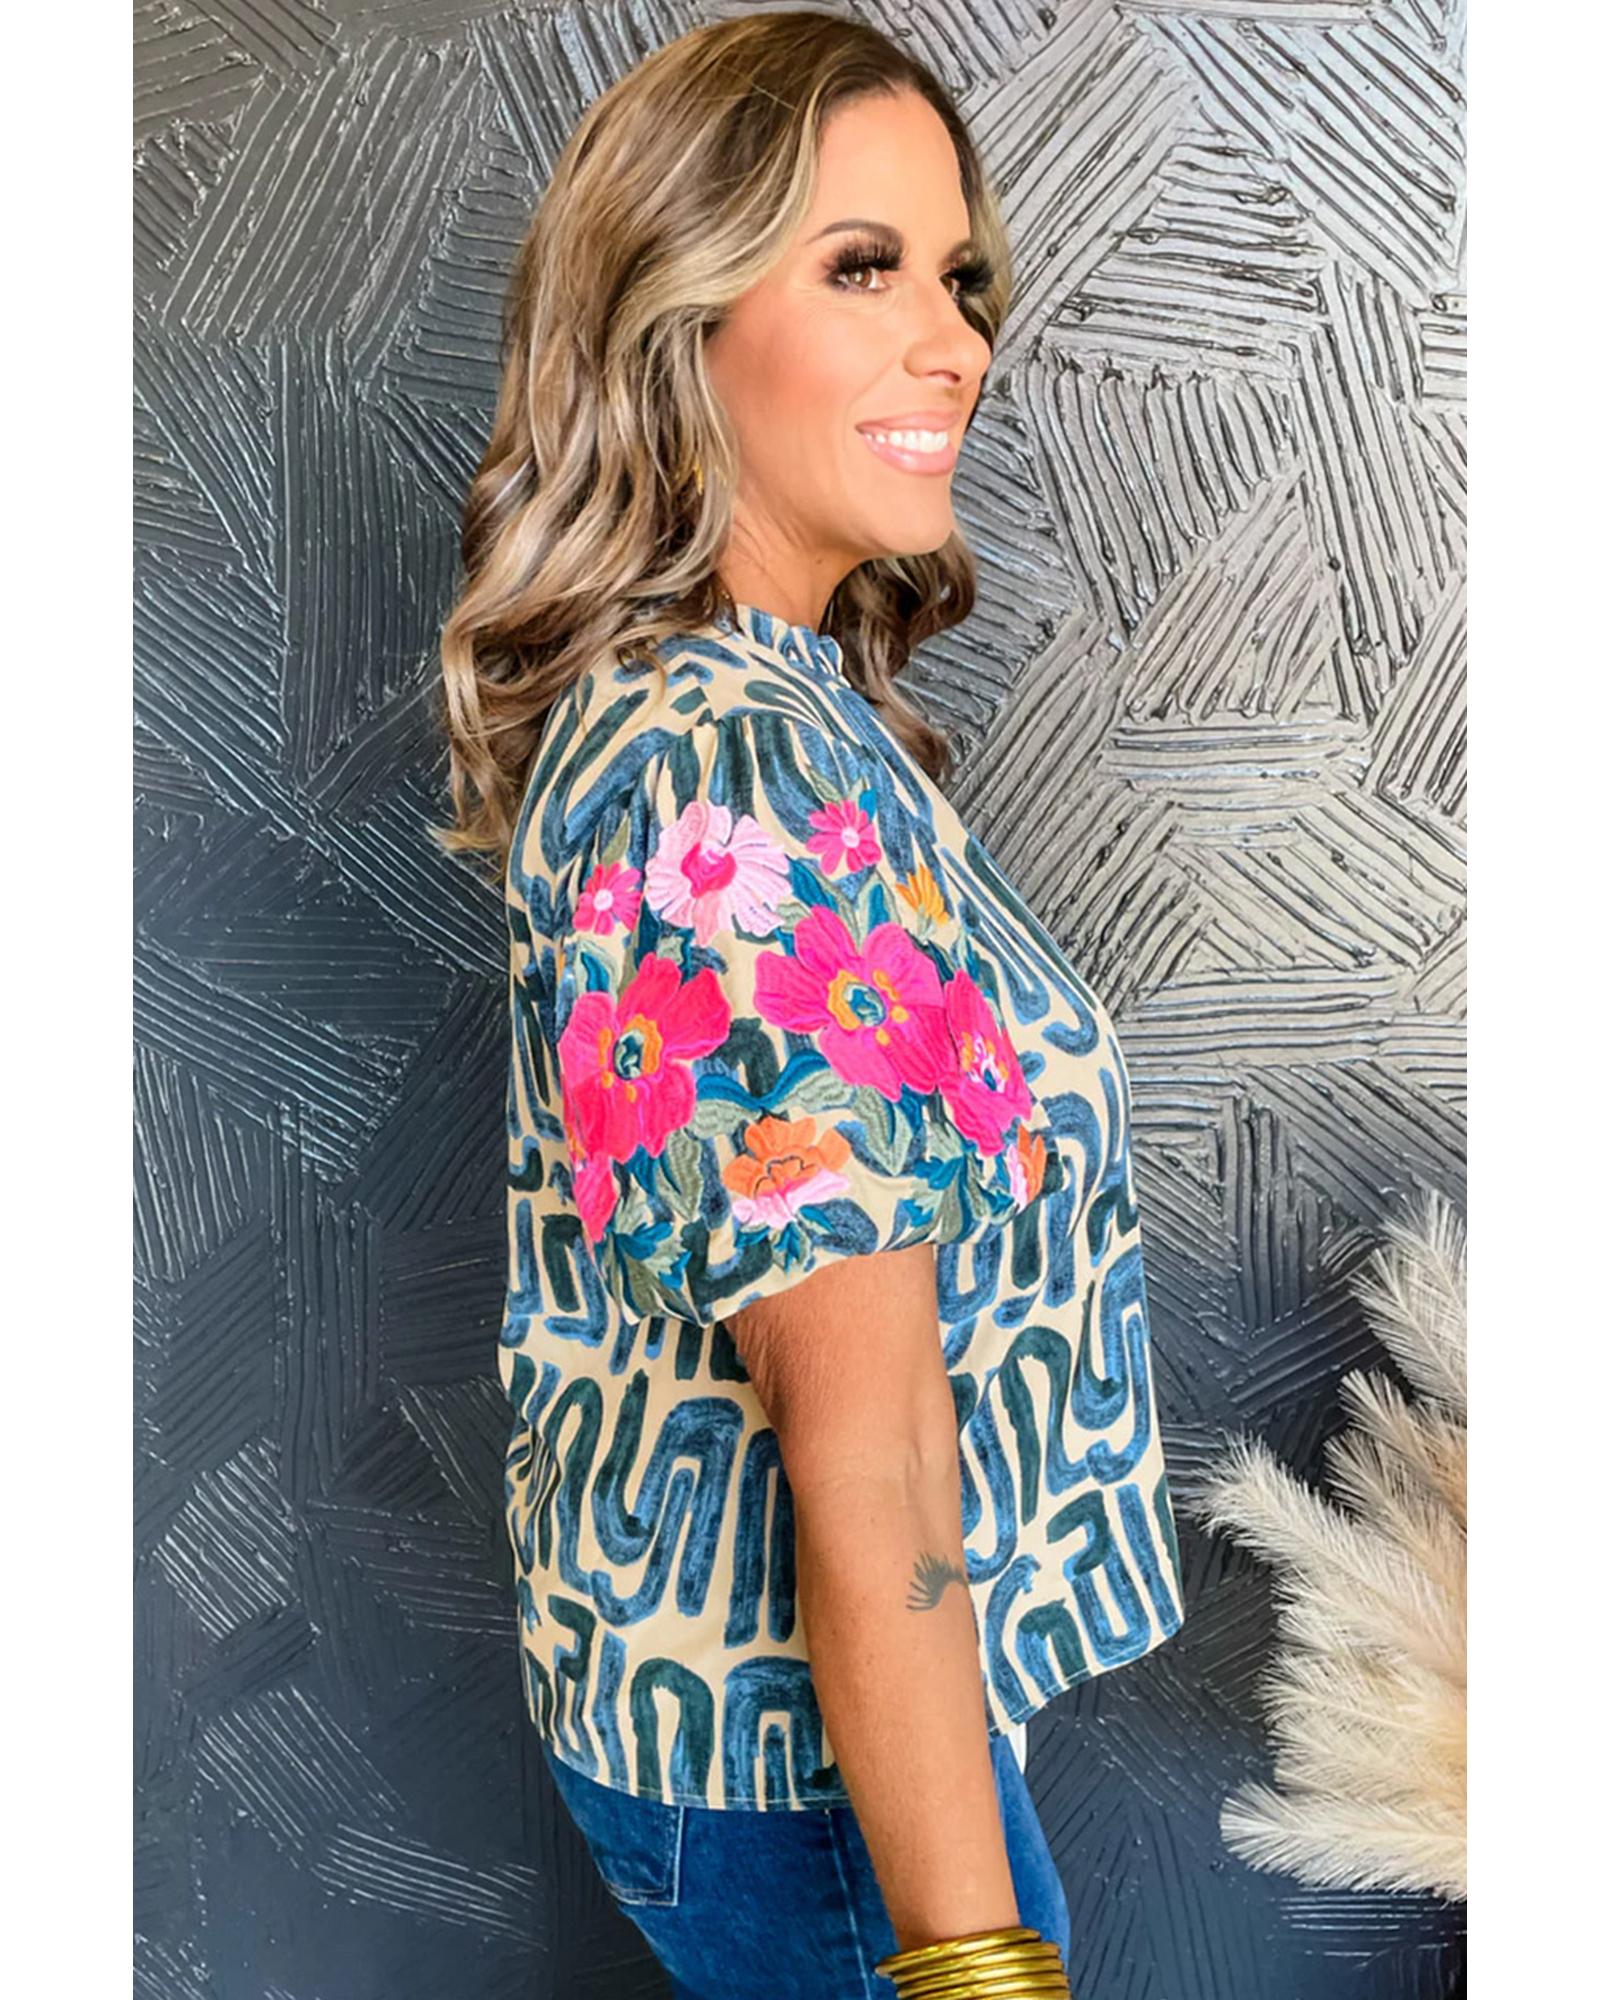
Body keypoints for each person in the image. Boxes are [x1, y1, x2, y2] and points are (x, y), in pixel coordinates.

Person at [433, 13, 1185, 1997]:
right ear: (675, 322)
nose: (956, 340)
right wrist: (973, 1961)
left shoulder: (767, 702)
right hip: (821, 1774)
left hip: (807, 1734)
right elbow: (864, 1452)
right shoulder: (726, 770)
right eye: (861, 267)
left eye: (957, 276)